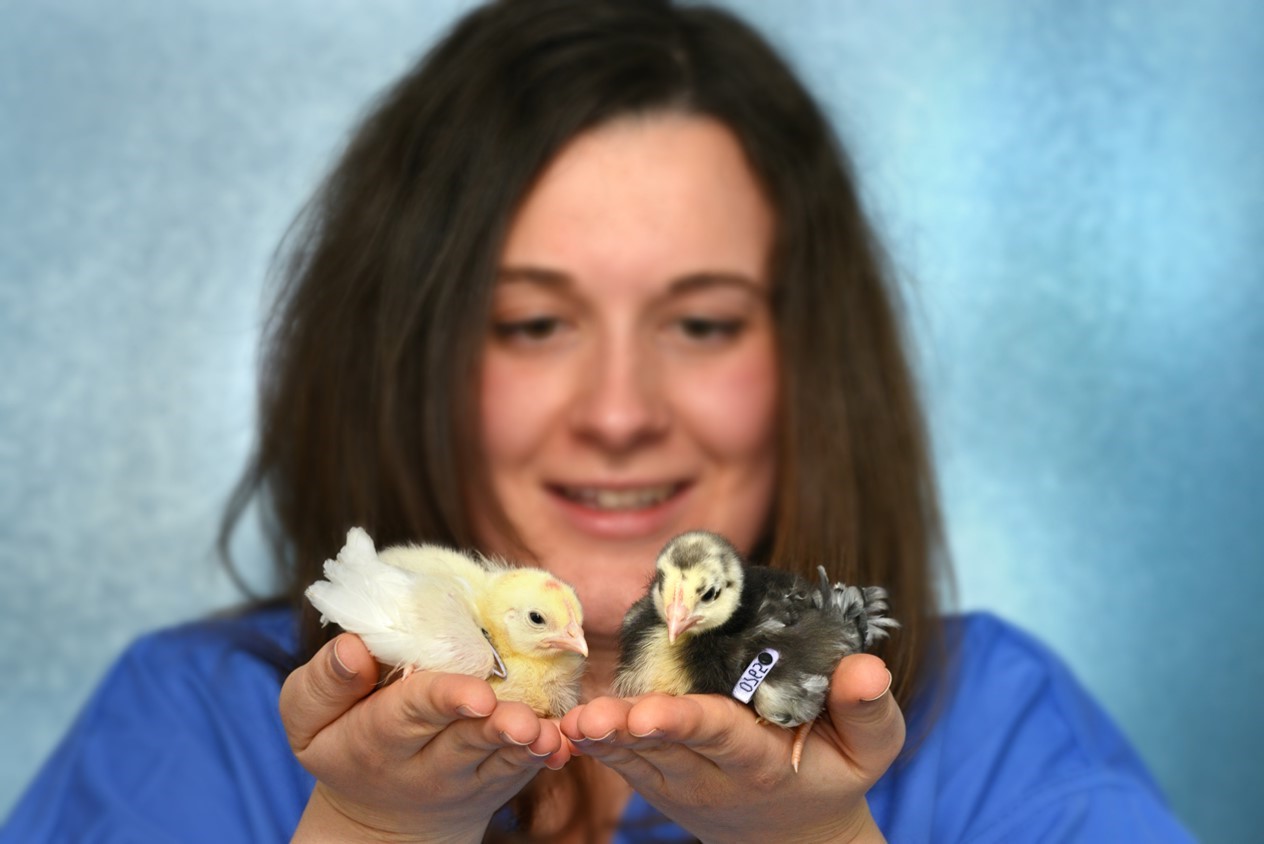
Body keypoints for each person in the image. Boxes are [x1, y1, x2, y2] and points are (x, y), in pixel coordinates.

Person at [2, 1, 1194, 841]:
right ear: (408, 357)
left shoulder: (991, 725)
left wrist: (807, 842)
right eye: (531, 324)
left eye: (704, 324)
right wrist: (378, 830)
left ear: (807, 364)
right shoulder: (190, 725)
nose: (620, 415)